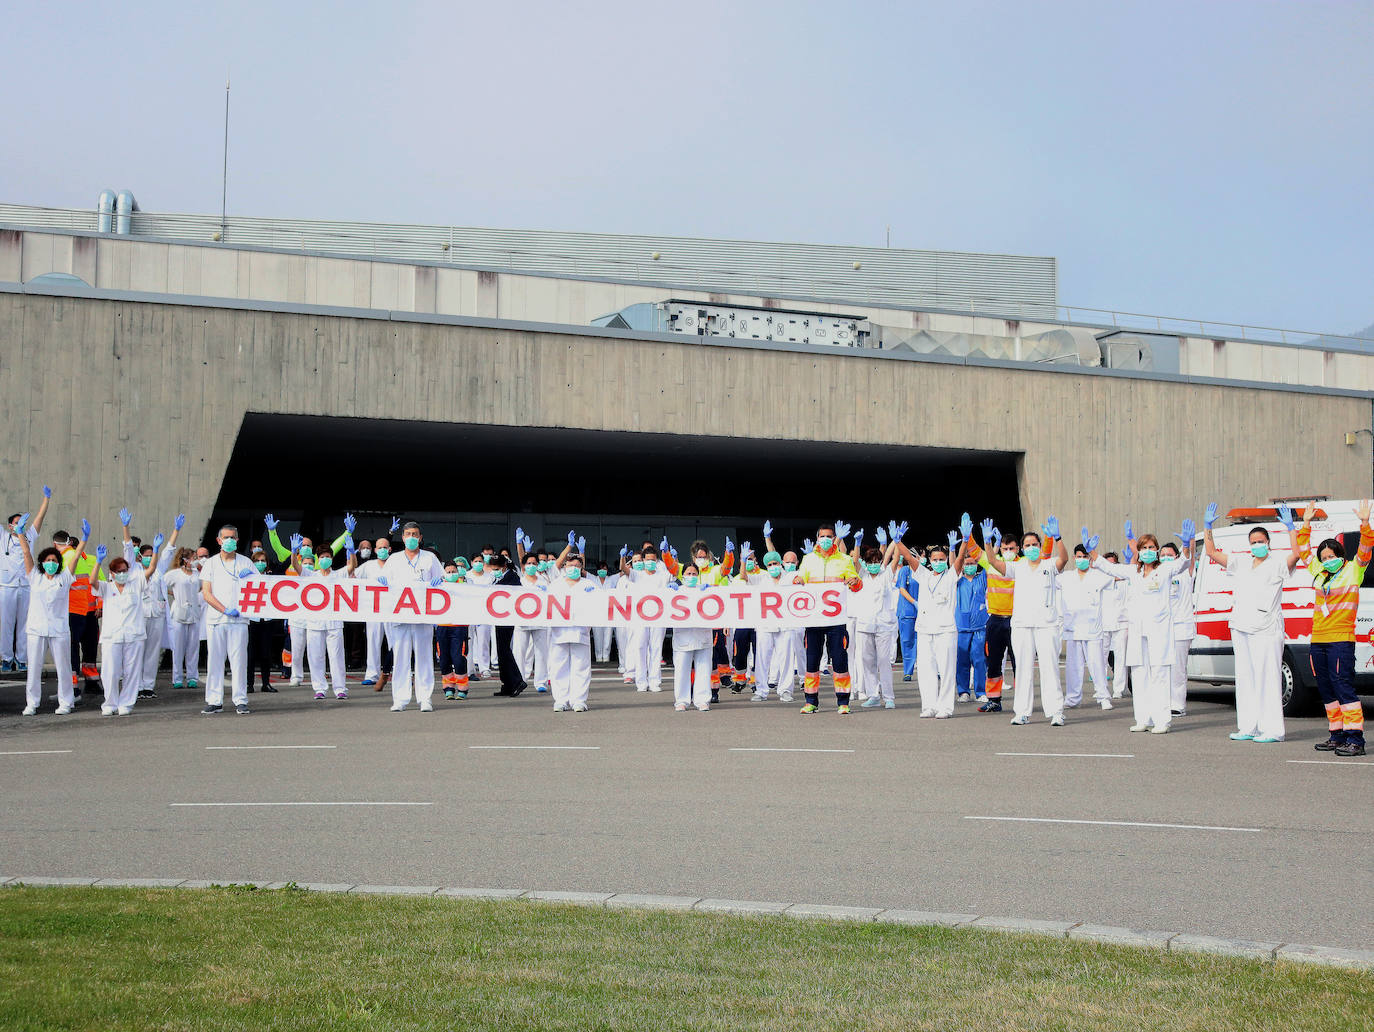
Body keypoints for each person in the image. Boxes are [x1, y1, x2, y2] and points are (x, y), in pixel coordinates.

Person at [1203, 502, 1300, 744]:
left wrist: (1291, 528)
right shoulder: (1241, 563)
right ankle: (1249, 726)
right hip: (1241, 626)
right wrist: (1207, 527)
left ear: (1268, 543)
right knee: (1245, 678)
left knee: (1268, 678)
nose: (1257, 545)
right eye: (1253, 541)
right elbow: (1212, 553)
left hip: (1267, 628)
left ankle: (1273, 730)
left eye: (1261, 541)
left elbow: (1296, 555)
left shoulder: (1277, 563)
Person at [1092, 522, 1194, 734]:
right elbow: (1109, 567)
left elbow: (1183, 563)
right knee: (1139, 675)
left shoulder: (1165, 570)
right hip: (1138, 631)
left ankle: (1162, 720)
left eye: (1151, 548)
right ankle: (1143, 719)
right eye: (1143, 548)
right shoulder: (1133, 572)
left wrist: (1186, 545)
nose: (1147, 552)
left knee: (1159, 674)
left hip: (1159, 631)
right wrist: (1092, 551)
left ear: (1156, 550)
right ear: (1137, 551)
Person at [1295, 500, 1372, 756]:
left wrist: (1364, 523)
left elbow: (1365, 549)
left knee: (1343, 686)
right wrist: (1305, 523)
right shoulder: (1319, 573)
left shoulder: (1353, 571)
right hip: (1319, 640)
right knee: (1326, 688)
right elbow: (1304, 551)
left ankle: (1355, 740)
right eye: (1324, 558)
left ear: (1341, 555)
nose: (1327, 560)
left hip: (1341, 640)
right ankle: (1337, 735)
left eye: (1332, 556)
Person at [980, 517, 1069, 726]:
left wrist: (1057, 537)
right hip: (1021, 625)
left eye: (1034, 545)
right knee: (1023, 669)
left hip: (1046, 625)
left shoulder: (1049, 565)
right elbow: (993, 562)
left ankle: (1056, 711)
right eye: (1027, 545)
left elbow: (1064, 559)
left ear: (1040, 546)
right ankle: (1022, 712)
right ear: (1023, 548)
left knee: (1050, 668)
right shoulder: (1017, 567)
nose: (1031, 548)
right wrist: (986, 542)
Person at [14, 514, 81, 715]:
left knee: (63, 668)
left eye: (54, 560)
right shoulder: (35, 577)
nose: (50, 562)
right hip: (36, 629)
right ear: (42, 563)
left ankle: (66, 702)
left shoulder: (65, 577)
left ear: (58, 562)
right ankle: (32, 703)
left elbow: (76, 557)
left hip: (59, 630)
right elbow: (26, 554)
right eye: (47, 560)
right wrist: (20, 535)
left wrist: (84, 540)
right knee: (33, 669)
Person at [793, 521, 861, 715]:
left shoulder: (844, 560)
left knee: (840, 660)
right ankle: (811, 701)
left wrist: (854, 581)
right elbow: (800, 581)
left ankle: (843, 702)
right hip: (814, 619)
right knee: (812, 661)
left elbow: (856, 584)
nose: (824, 540)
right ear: (817, 538)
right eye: (821, 537)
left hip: (836, 620)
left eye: (828, 537)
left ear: (834, 539)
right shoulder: (808, 560)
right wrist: (797, 581)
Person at [897, 523, 963, 718]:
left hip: (945, 630)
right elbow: (908, 557)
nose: (938, 562)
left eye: (942, 559)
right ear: (930, 561)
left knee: (946, 670)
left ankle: (945, 707)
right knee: (926, 670)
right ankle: (929, 706)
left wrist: (965, 541)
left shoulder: (951, 576)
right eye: (935, 559)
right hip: (925, 630)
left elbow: (959, 560)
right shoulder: (923, 575)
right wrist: (897, 541)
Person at [381, 521, 444, 713]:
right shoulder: (394, 559)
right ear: (402, 537)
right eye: (408, 534)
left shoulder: (430, 558)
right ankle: (400, 699)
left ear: (420, 537)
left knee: (424, 657)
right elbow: (382, 584)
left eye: (415, 534)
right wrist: (381, 582)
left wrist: (438, 581)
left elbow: (442, 580)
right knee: (400, 658)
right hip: (400, 615)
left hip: (423, 615)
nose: (411, 538)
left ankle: (425, 698)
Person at [121, 508, 181, 701]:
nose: (150, 557)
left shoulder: (158, 571)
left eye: (151, 554)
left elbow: (168, 551)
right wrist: (125, 526)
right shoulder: (133, 569)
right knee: (137, 651)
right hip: (139, 616)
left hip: (156, 615)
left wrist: (175, 530)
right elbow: (128, 549)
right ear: (140, 557)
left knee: (152, 653)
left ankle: (147, 686)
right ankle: (136, 686)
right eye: (146, 554)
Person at [291, 525, 357, 701]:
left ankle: (340, 689)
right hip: (314, 623)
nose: (325, 559)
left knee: (336, 657)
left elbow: (352, 567)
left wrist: (351, 552)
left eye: (328, 557)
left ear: (332, 559)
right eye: (322, 557)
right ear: (317, 559)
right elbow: (295, 566)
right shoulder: (311, 575)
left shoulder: (338, 574)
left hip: (334, 623)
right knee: (316, 658)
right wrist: (294, 551)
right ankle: (319, 688)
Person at [199, 524, 256, 715]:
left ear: (238, 540)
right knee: (215, 661)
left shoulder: (246, 562)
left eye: (233, 537)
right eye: (226, 537)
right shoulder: (211, 563)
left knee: (239, 661)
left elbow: (258, 589)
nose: (230, 540)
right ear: (219, 540)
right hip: (216, 620)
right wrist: (224, 610)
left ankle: (240, 699)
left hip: (239, 620)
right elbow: (206, 593)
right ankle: (214, 700)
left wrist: (252, 579)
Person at [89, 541, 148, 716]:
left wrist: (157, 551)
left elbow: (149, 571)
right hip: (111, 636)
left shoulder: (135, 585)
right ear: (112, 573)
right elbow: (92, 581)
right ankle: (110, 703)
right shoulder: (107, 587)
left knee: (132, 671)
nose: (122, 574)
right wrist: (98, 561)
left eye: (124, 571)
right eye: (118, 571)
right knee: (110, 671)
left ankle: (126, 703)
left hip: (134, 635)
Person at [1058, 534, 1113, 710]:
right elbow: (1046, 578)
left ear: (1090, 559)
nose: (1082, 560)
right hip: (1072, 628)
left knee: (1097, 664)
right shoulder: (1065, 577)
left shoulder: (1099, 575)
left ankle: (1103, 696)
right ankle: (1073, 698)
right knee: (1073, 666)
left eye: (1085, 557)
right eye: (1079, 557)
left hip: (1092, 629)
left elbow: (1117, 574)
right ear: (1074, 558)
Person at [965, 525, 1014, 713]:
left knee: (1019, 662)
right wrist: (967, 535)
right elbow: (974, 552)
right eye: (1005, 548)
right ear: (1000, 548)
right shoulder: (992, 564)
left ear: (1018, 549)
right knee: (993, 661)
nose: (1008, 551)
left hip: (1016, 620)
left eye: (1012, 548)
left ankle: (1022, 702)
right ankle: (994, 700)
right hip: (994, 620)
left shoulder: (1023, 565)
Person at [1, 486, 50, 674]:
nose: (19, 524)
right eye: (16, 522)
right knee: (6, 624)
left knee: (24, 624)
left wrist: (46, 499)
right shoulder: (3, 537)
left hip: (25, 586)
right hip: (6, 586)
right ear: (10, 526)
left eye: (21, 521)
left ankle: (21, 659)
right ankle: (6, 658)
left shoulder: (28, 536)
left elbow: (40, 517)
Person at [851, 531, 900, 710]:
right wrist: (857, 543)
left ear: (880, 563)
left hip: (884, 625)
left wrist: (894, 542)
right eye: (870, 562)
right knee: (866, 660)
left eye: (876, 562)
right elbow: (855, 562)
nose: (873, 565)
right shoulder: (862, 574)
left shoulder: (885, 574)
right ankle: (873, 695)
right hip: (864, 624)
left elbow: (893, 559)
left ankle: (888, 697)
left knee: (883, 661)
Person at [549, 544, 594, 712]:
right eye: (570, 565)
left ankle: (579, 700)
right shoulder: (555, 584)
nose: (573, 568)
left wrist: (594, 594)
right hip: (559, 631)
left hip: (580, 631)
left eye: (576, 566)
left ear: (581, 567)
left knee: (581, 666)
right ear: (564, 567)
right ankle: (560, 700)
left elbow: (600, 605)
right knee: (559, 666)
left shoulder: (589, 584)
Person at [1160, 530, 1197, 717]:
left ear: (1177, 555)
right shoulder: (1159, 575)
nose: (1166, 557)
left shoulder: (1185, 572)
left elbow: (1189, 557)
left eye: (1170, 554)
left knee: (1178, 669)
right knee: (1162, 668)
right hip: (1162, 628)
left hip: (1182, 627)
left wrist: (1189, 542)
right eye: (1163, 555)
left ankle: (1178, 704)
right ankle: (1163, 702)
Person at [355, 526, 396, 691]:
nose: (382, 550)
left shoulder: (396, 564)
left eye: (385, 547)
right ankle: (371, 674)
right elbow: (351, 577)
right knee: (373, 641)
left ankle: (397, 672)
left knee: (395, 642)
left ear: (390, 549)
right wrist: (350, 553)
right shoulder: (368, 566)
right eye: (379, 547)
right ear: (375, 550)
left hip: (393, 610)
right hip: (373, 609)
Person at [953, 520, 989, 706]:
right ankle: (963, 690)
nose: (969, 565)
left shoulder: (982, 578)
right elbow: (955, 564)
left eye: (972, 563)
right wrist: (963, 543)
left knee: (980, 659)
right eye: (967, 563)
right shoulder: (957, 580)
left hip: (980, 626)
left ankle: (981, 691)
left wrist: (983, 542)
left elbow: (987, 561)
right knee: (962, 660)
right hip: (961, 626)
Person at [671, 564, 714, 711]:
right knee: (682, 670)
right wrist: (667, 592)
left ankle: (702, 700)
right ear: (683, 576)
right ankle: (681, 701)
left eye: (694, 573)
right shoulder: (677, 591)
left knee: (704, 669)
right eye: (688, 573)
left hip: (703, 636)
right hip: (683, 638)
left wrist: (712, 591)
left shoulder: (704, 590)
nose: (691, 576)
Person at [488, 553, 526, 697]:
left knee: (505, 651)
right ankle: (507, 683)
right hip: (499, 618)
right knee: (501, 651)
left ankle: (517, 681)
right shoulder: (499, 577)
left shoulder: (512, 578)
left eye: (496, 568)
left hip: (507, 618)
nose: (494, 570)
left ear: (504, 567)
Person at [165, 548, 203, 690]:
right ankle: (177, 678)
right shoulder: (174, 574)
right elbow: (161, 584)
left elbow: (202, 587)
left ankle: (192, 677)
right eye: (193, 558)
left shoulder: (197, 574)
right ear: (185, 559)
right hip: (179, 613)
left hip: (194, 613)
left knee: (193, 647)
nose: (195, 560)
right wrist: (173, 593)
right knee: (178, 648)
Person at [435, 560, 470, 701]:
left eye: (453, 572)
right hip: (442, 626)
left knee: (459, 658)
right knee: (444, 659)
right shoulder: (439, 585)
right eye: (448, 572)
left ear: (458, 572)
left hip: (459, 628)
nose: (451, 574)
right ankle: (448, 687)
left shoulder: (466, 586)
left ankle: (462, 688)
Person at [246, 548, 279, 694]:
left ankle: (266, 683)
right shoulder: (248, 576)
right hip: (252, 620)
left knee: (266, 654)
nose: (260, 563)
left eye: (262, 561)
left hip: (267, 619)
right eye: (257, 561)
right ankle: (249, 684)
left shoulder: (271, 577)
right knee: (251, 655)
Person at [1100, 548, 1131, 700]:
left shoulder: (1126, 581)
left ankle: (1119, 689)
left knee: (1121, 658)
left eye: (1114, 564)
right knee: (1101, 657)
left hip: (1122, 622)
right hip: (1103, 623)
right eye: (1108, 565)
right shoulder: (1100, 581)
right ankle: (1100, 688)